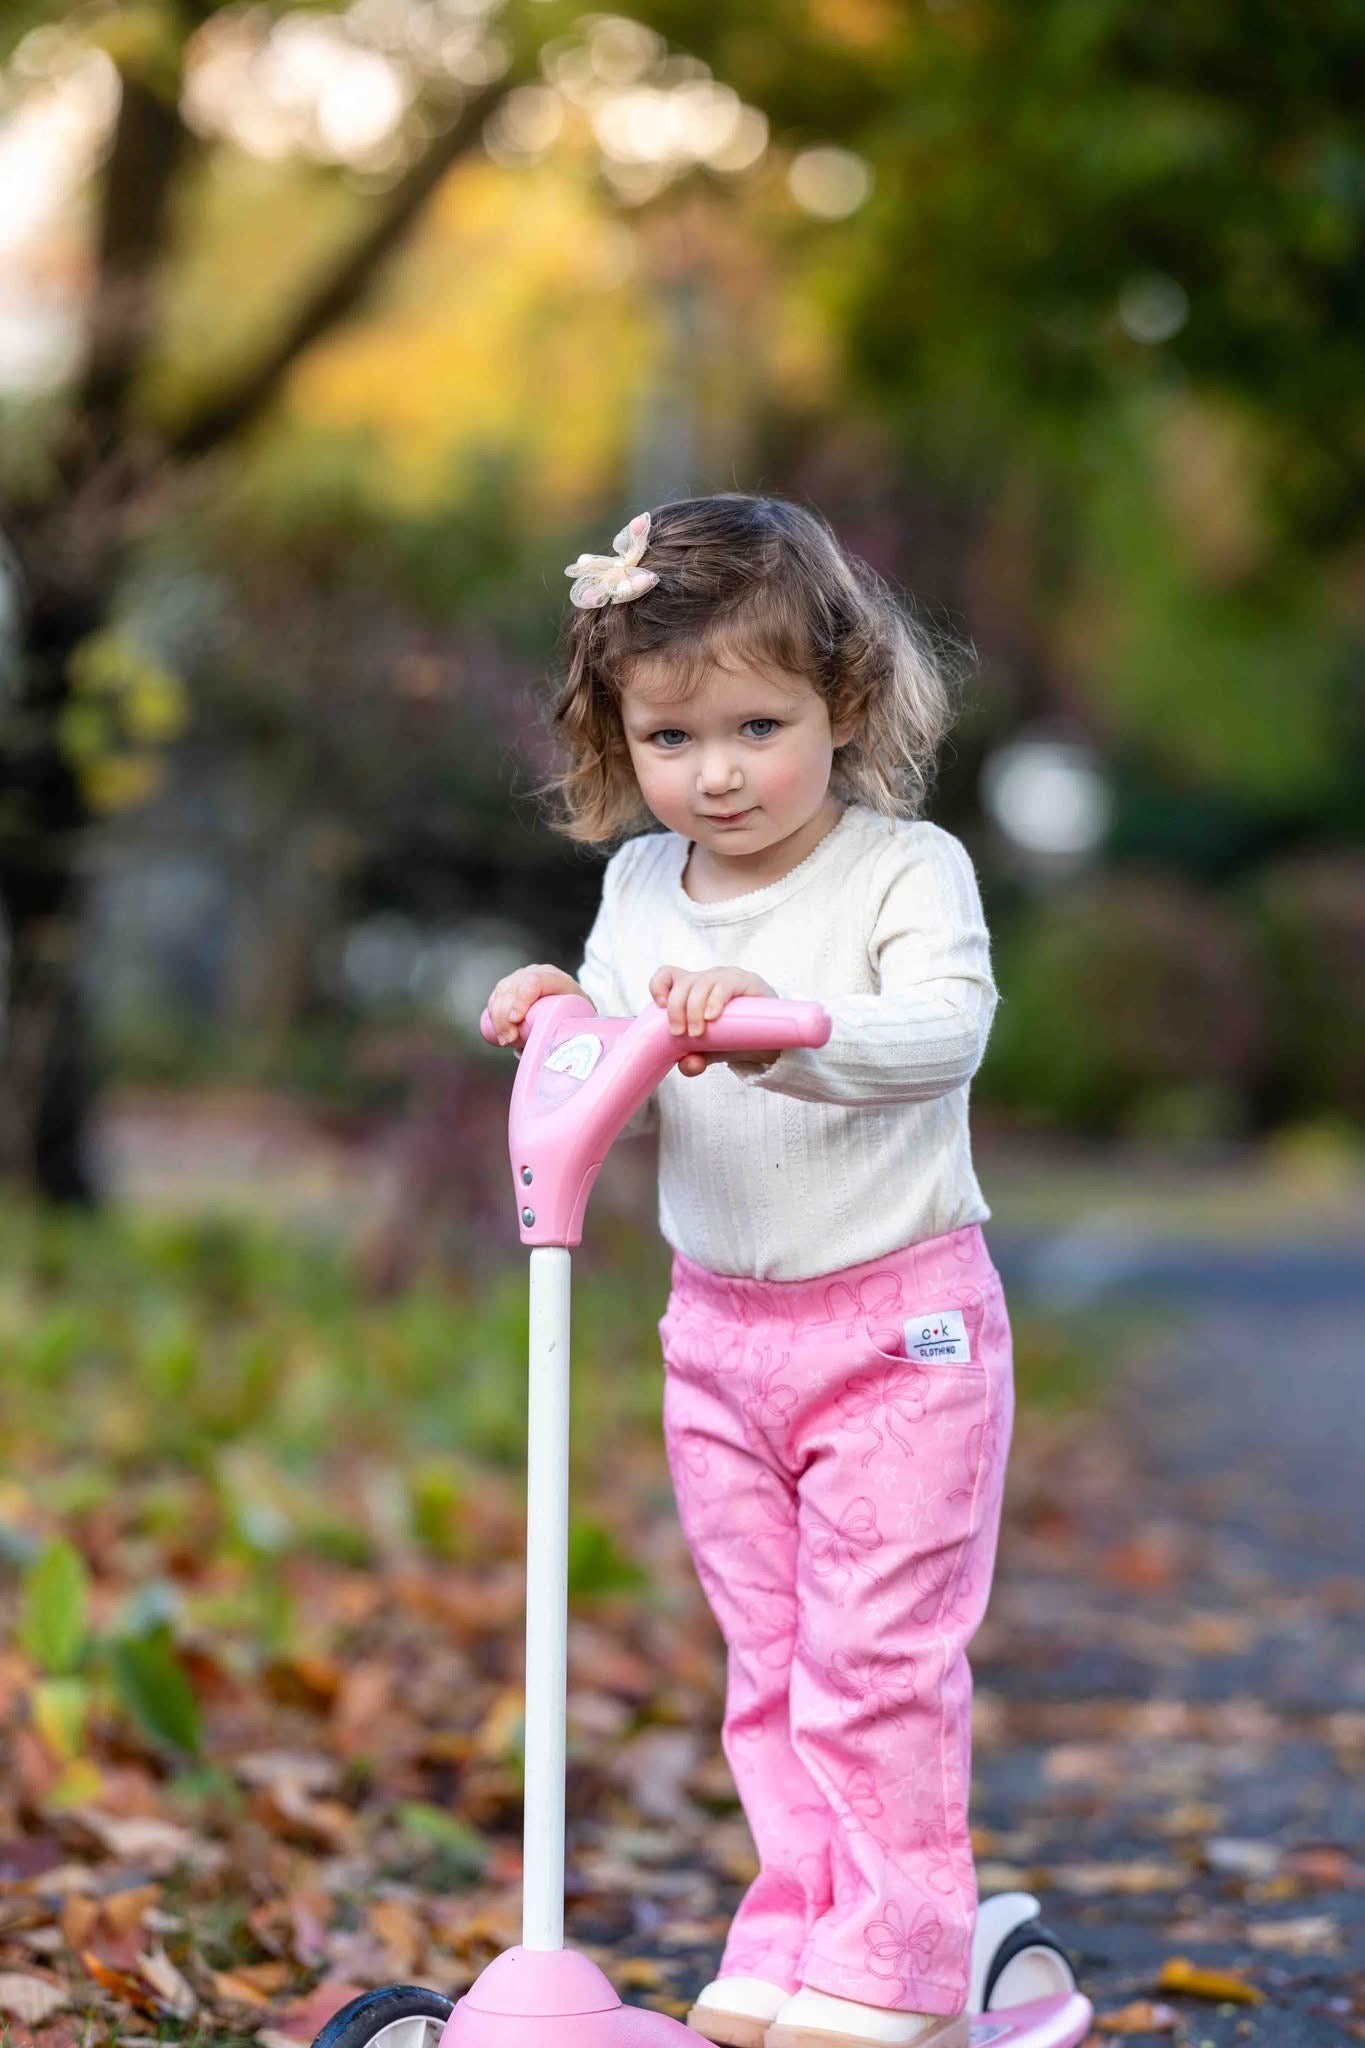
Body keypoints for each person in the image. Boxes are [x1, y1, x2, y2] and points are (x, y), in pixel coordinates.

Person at [484, 494, 1009, 2048]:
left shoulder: (901, 871)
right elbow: (614, 1057)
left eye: (755, 728)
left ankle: (899, 1958)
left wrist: (788, 1025)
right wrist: (557, 1017)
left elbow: (946, 1031)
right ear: (618, 739)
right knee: (770, 1662)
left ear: (841, 702)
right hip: (716, 1335)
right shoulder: (641, 889)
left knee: (874, 1659)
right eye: (669, 738)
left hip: (897, 1330)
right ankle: (798, 1926)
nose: (714, 773)